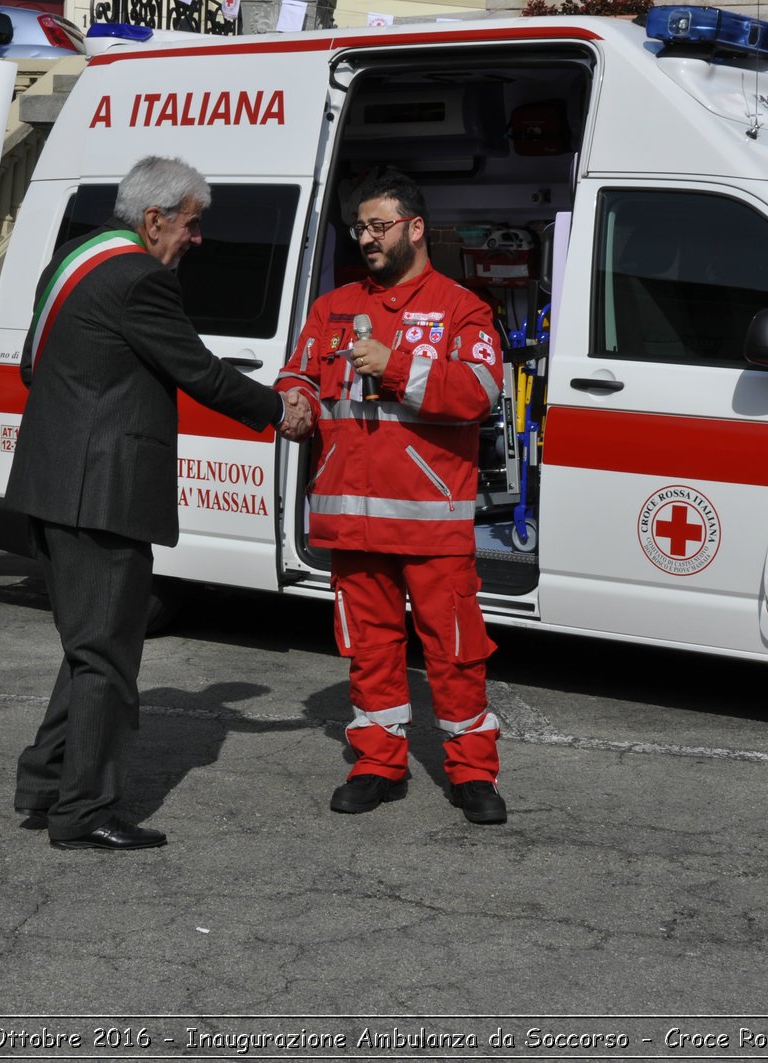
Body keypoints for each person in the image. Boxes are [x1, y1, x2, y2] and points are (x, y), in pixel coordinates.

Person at [8, 156, 310, 852]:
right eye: (192, 225)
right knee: (107, 657)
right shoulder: (141, 279)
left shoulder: (75, 258)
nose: (198, 240)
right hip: (102, 495)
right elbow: (198, 370)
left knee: (91, 647)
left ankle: (47, 779)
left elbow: (31, 362)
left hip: (53, 484)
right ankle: (82, 811)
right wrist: (277, 411)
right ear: (154, 220)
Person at [274, 169, 509, 824]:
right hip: (350, 523)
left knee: (456, 653)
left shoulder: (463, 307)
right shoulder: (332, 306)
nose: (367, 238)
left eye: (379, 226)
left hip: (431, 526)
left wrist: (397, 363)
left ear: (414, 228)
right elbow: (299, 370)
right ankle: (379, 761)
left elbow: (480, 393)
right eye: (360, 228)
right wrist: (293, 398)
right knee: (369, 650)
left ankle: (471, 772)